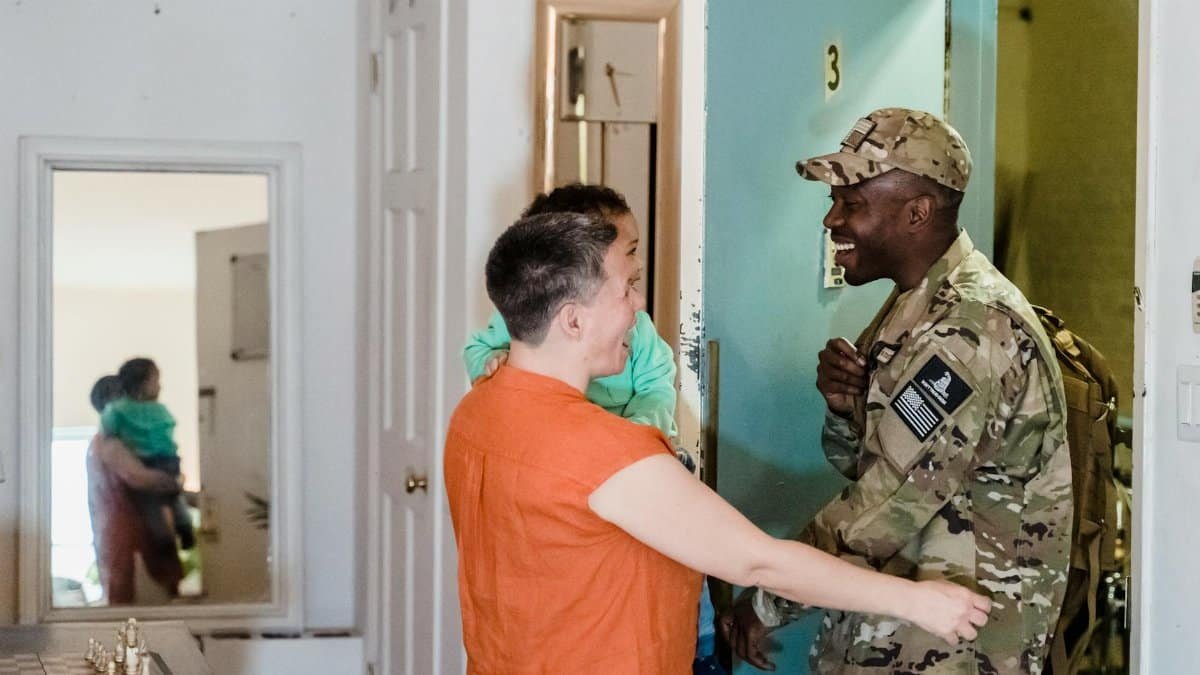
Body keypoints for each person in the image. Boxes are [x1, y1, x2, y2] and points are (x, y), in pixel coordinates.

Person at [444, 210, 990, 674]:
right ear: (572, 321)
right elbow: (759, 564)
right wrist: (917, 600)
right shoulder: (603, 452)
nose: (639, 305)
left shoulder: (477, 412)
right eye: (626, 288)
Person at [720, 108, 1072, 674]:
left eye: (852, 203)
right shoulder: (918, 303)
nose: (832, 219)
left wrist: (769, 596)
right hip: (902, 629)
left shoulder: (969, 328)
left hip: (955, 646)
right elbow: (870, 462)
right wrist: (845, 410)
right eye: (834, 200)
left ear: (917, 212)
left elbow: (890, 499)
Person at [461, 184, 726, 671]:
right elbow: (480, 351)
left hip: (638, 452)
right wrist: (492, 364)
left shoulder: (637, 331)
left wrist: (639, 431)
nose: (636, 282)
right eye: (626, 255)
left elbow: (657, 385)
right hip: (585, 467)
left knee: (683, 562)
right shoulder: (514, 352)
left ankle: (703, 637)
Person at [86, 375, 184, 603]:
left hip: (125, 539)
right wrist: (174, 482)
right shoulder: (111, 442)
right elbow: (139, 478)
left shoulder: (105, 442)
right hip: (132, 540)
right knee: (143, 609)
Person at [99, 358, 195, 551]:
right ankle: (181, 529)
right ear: (143, 384)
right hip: (166, 462)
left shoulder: (118, 411)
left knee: (154, 501)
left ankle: (166, 537)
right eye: (156, 381)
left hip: (149, 461)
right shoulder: (159, 410)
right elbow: (167, 434)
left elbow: (109, 429)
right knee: (170, 497)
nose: (160, 386)